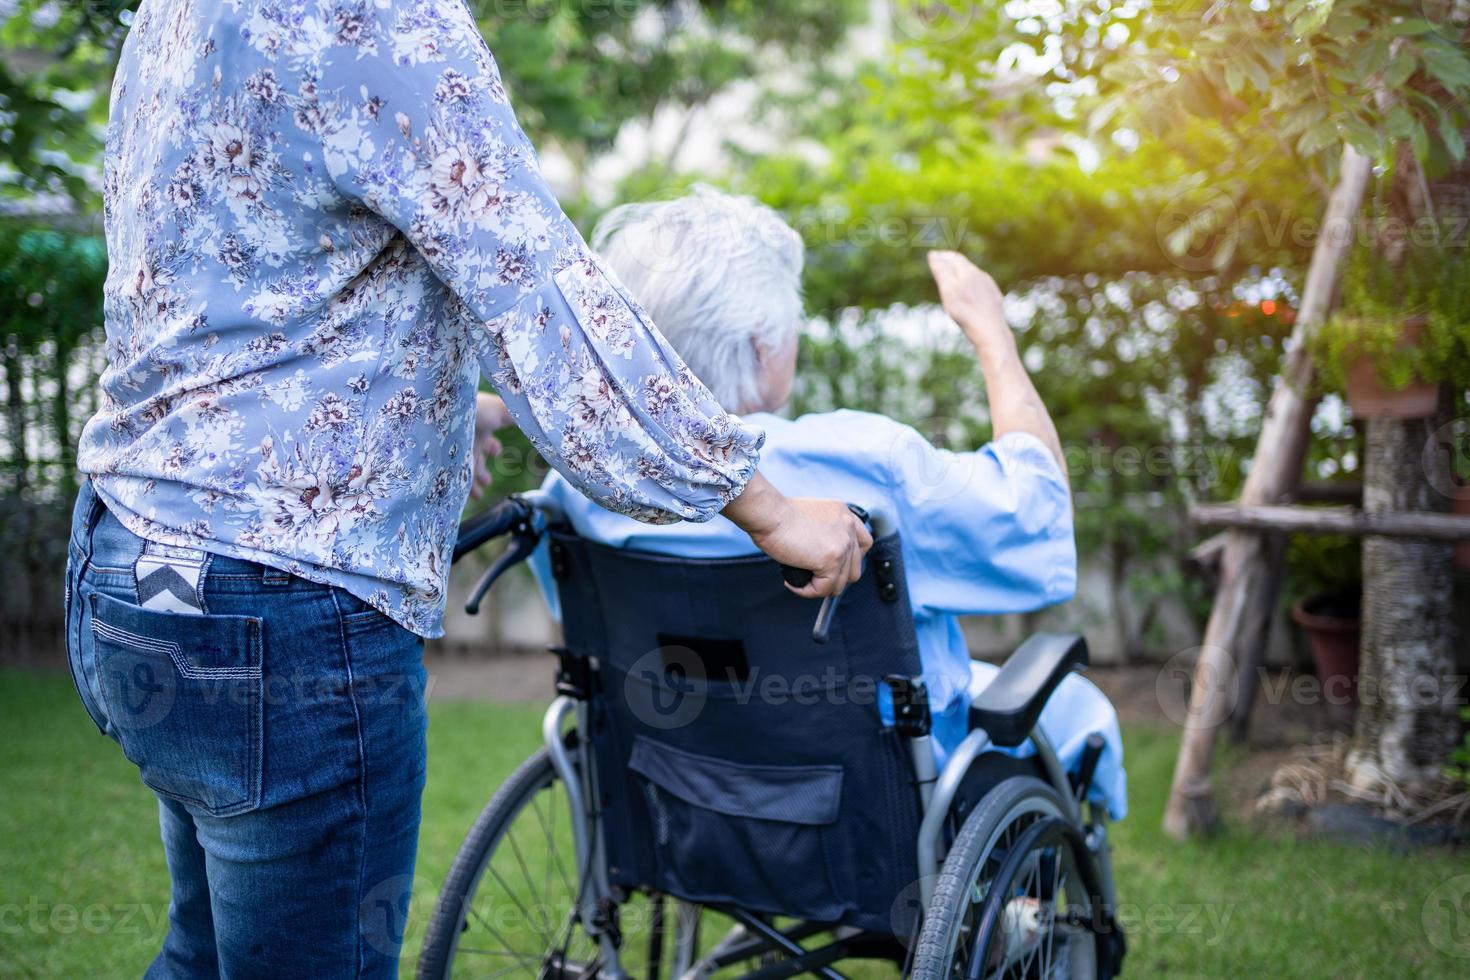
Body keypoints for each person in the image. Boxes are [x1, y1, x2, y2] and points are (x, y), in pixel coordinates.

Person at [66, 4, 869, 977]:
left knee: (202, 955)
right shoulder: (383, 20)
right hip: (280, 607)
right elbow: (548, 299)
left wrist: (446, 417)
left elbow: (255, 292)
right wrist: (766, 505)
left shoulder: (181, 12)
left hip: (133, 563)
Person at [531, 187, 1126, 819]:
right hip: (886, 799)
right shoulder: (868, 464)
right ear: (764, 348)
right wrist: (991, 334)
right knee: (1082, 709)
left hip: (690, 780)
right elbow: (1035, 516)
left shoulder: (584, 484)